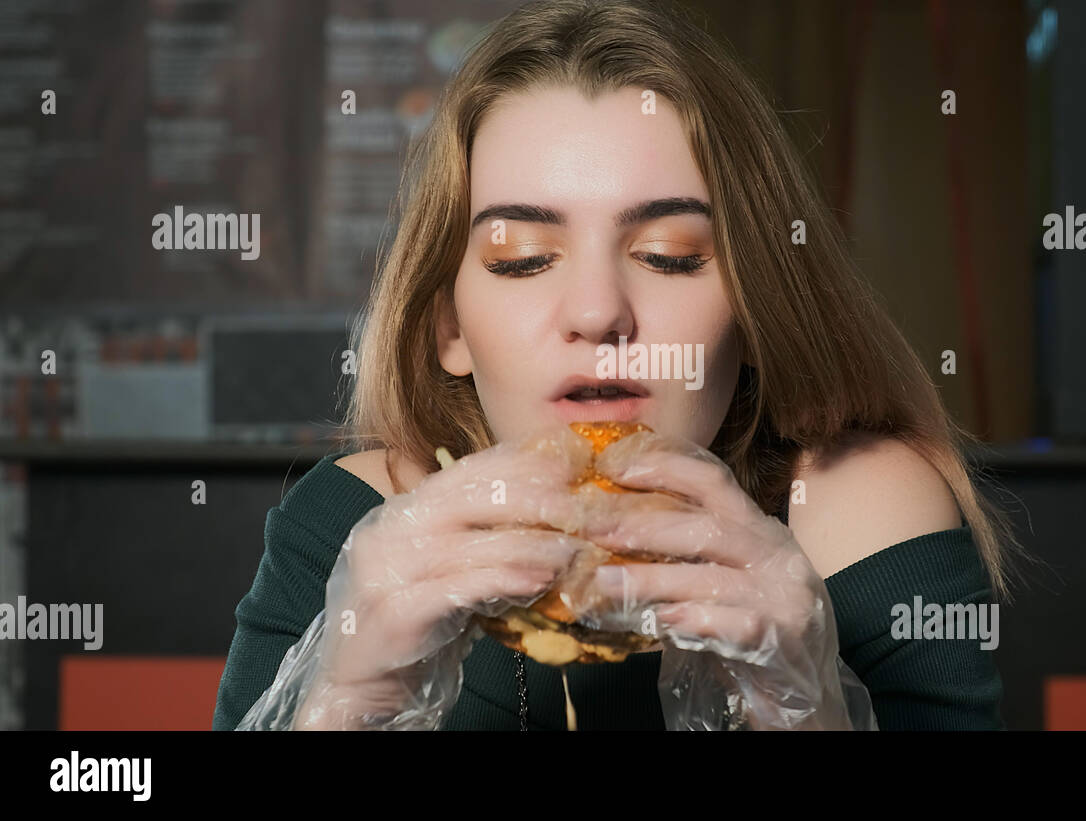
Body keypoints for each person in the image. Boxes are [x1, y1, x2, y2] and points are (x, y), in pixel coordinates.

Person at [213, 0, 1029, 731]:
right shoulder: (355, 529)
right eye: (524, 257)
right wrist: (342, 702)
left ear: (753, 305)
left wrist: (809, 706)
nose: (599, 310)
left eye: (669, 255)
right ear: (448, 329)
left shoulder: (857, 511)